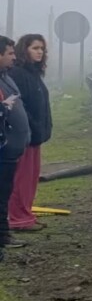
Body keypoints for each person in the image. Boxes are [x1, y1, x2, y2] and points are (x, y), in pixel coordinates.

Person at [7, 35, 52, 233]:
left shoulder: (34, 73)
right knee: (21, 179)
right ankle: (18, 218)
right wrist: (32, 128)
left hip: (36, 136)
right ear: (24, 50)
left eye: (42, 48)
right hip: (24, 136)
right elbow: (19, 106)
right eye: (35, 48)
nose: (39, 52)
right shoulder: (18, 73)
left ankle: (26, 214)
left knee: (31, 177)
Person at [0, 36, 30, 253]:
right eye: (9, 53)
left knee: (5, 193)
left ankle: (3, 234)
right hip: (3, 149)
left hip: (12, 150)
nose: (14, 56)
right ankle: (2, 237)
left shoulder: (6, 77)